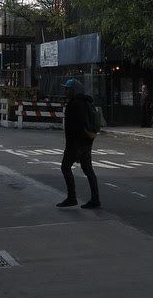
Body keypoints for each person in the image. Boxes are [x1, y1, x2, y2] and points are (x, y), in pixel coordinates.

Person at [57, 78, 100, 209]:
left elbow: (76, 126)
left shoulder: (75, 104)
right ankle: (95, 199)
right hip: (86, 142)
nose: (65, 91)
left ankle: (72, 197)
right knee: (88, 169)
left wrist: (74, 147)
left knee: (65, 167)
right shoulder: (85, 102)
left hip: (76, 143)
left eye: (67, 89)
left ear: (73, 90)